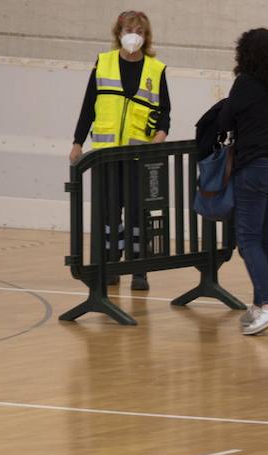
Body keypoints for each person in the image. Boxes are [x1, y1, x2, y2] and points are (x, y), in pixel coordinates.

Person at [69, 10, 171, 292]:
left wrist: (161, 135)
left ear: (146, 35)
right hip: (107, 155)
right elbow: (88, 105)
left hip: (139, 156)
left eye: (138, 30)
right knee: (110, 214)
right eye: (128, 29)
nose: (133, 35)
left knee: (139, 215)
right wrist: (78, 142)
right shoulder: (103, 63)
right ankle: (112, 264)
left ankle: (139, 269)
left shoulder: (155, 69)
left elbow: (165, 112)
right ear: (118, 32)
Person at [223, 28, 268, 337]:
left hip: (254, 169)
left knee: (248, 240)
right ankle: (259, 304)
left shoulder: (245, 84)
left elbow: (226, 120)